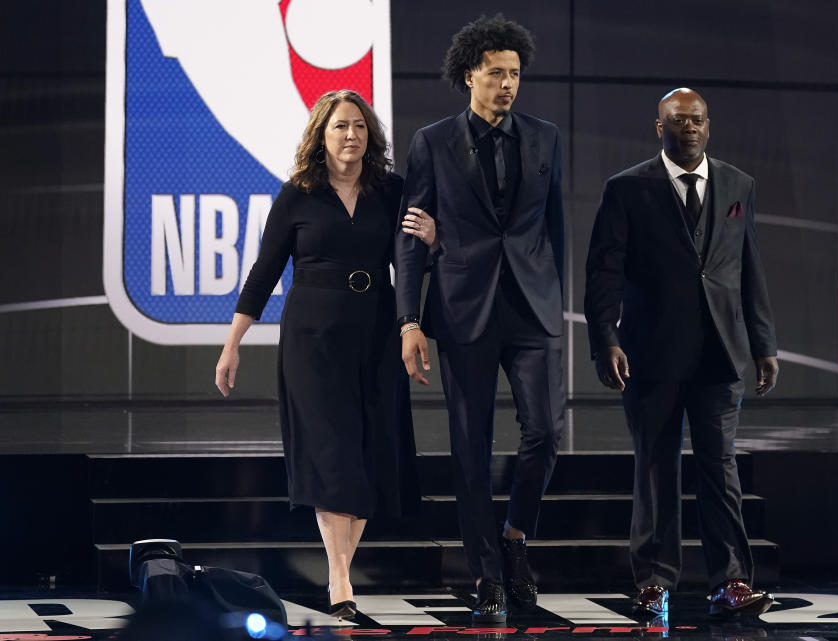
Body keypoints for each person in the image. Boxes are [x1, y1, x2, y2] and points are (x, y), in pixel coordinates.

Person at [215, 89, 430, 620]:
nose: (350, 135)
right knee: (332, 455)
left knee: (369, 454)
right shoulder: (298, 194)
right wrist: (232, 342)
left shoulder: (392, 191)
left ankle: (340, 574)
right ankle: (340, 583)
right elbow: (264, 273)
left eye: (358, 125)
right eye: (339, 126)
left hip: (378, 331)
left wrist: (435, 238)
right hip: (313, 337)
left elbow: (413, 260)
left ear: (370, 135)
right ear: (321, 134)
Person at [394, 14, 565, 622]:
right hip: (463, 309)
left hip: (532, 309)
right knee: (470, 449)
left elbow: (555, 229)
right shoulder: (432, 142)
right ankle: (487, 575)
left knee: (545, 433)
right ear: (469, 75)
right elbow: (412, 237)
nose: (507, 85)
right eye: (496, 74)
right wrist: (409, 321)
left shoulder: (545, 137)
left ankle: (515, 537)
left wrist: (557, 303)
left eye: (515, 74)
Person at [584, 88, 780, 618]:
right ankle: (653, 581)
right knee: (655, 468)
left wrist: (764, 344)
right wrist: (605, 338)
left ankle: (731, 582)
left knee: (721, 470)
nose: (688, 127)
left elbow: (749, 267)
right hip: (651, 353)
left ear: (708, 126)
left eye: (696, 120)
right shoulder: (626, 188)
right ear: (659, 127)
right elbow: (604, 270)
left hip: (721, 353)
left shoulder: (740, 185)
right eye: (678, 121)